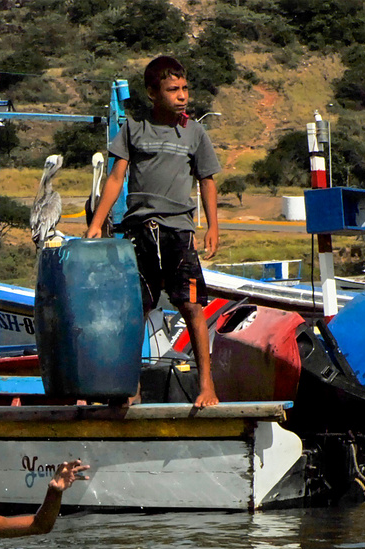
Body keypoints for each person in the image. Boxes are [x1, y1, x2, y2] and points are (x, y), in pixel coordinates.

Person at [85, 54, 223, 409]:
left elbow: (207, 181)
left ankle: (206, 385)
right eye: (173, 89)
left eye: (185, 88)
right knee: (134, 310)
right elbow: (116, 178)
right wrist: (97, 224)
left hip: (179, 232)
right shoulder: (133, 128)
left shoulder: (194, 131)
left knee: (191, 306)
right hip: (139, 232)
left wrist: (212, 227)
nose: (182, 96)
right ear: (152, 92)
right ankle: (130, 387)